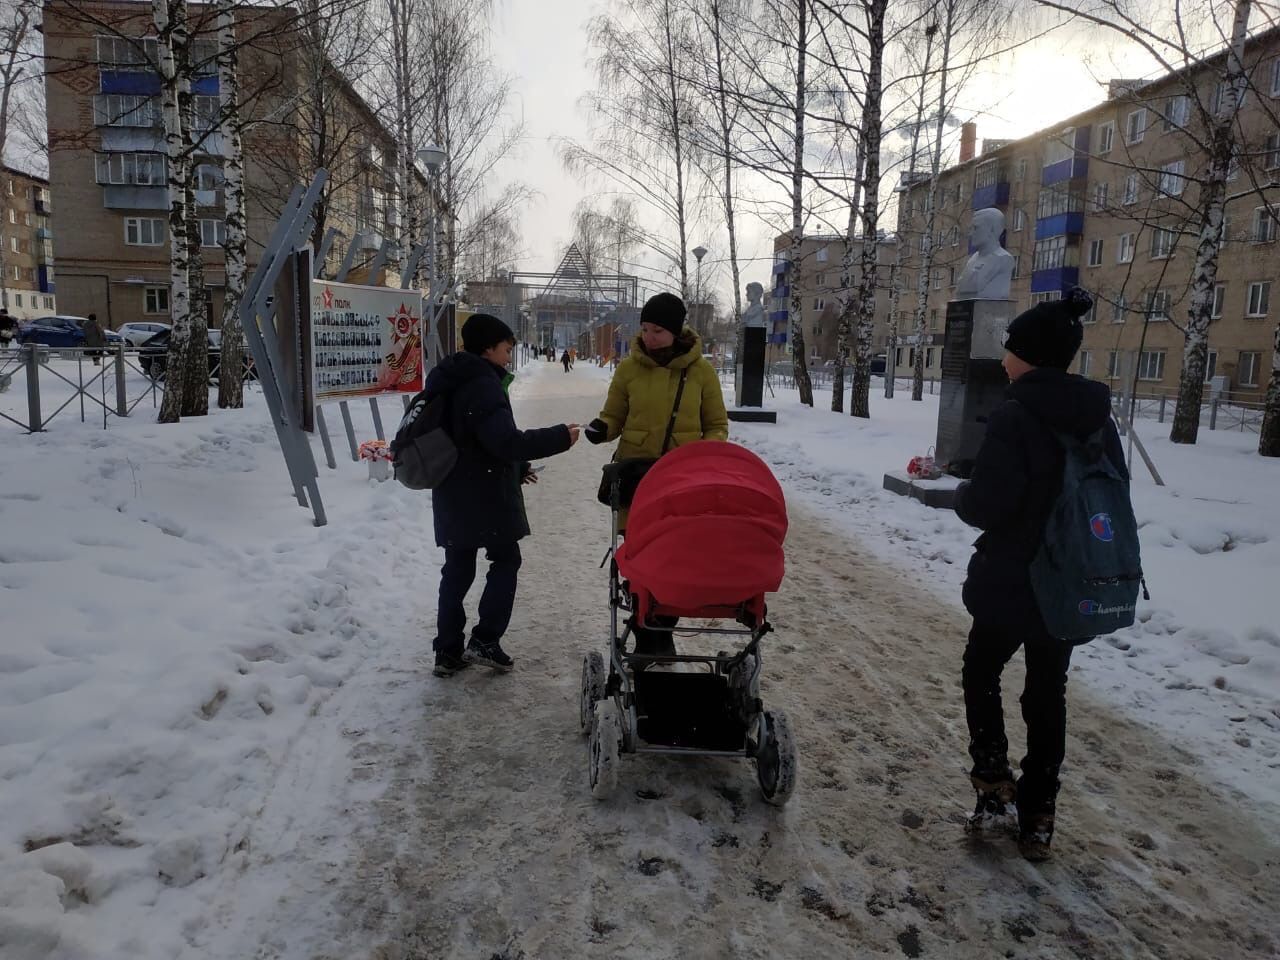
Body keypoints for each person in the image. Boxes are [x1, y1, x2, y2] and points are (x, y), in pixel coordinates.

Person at [953, 289, 1121, 862]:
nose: (1004, 360)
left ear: (1030, 355)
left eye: (1011, 350)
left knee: (982, 670)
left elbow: (987, 505)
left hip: (1012, 578)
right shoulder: (1098, 418)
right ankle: (1039, 813)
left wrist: (963, 492)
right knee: (1048, 691)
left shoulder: (1016, 414)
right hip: (1071, 580)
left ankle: (994, 787)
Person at [425, 313, 581, 678]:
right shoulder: (483, 384)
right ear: (488, 348)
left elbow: (473, 438)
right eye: (506, 350)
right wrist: (559, 437)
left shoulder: (447, 377)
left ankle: (447, 651)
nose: (509, 357)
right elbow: (503, 441)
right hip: (485, 492)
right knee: (506, 560)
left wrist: (518, 466)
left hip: (452, 489)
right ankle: (485, 641)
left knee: (457, 570)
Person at [584, 291, 729, 660]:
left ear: (677, 331)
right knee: (640, 557)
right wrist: (603, 427)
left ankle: (658, 632)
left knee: (675, 558)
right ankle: (648, 631)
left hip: (683, 480)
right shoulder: (629, 368)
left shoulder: (701, 371)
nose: (648, 337)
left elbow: (716, 425)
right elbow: (614, 414)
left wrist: (701, 455)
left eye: (658, 331)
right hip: (637, 477)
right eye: (645, 328)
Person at [954, 207, 1016, 300]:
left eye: (976, 228)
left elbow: (967, 285)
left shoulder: (1003, 258)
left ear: (992, 229)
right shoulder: (973, 259)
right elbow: (960, 287)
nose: (971, 234)